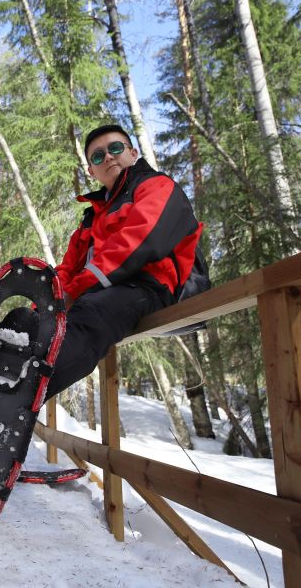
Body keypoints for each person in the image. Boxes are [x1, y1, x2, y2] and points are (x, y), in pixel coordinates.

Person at [47, 123, 206, 396]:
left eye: (115, 148)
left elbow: (138, 243)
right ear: (91, 171)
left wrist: (75, 292)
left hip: (154, 286)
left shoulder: (156, 186)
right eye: (98, 156)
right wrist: (51, 301)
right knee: (34, 319)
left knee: (90, 314)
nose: (108, 157)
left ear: (132, 153)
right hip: (104, 292)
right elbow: (68, 267)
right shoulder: (90, 220)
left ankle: (19, 399)